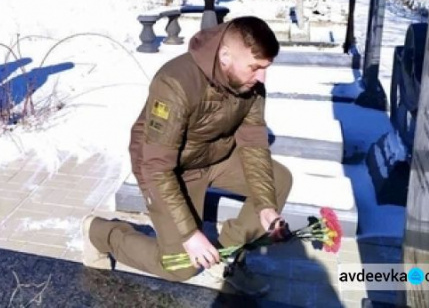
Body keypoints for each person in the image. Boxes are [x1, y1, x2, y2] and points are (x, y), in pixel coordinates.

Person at [82, 16, 293, 297]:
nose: (262, 78)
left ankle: (224, 256)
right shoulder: (175, 82)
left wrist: (265, 206)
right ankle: (99, 233)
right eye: (255, 68)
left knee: (278, 179)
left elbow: (253, 143)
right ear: (225, 56)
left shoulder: (250, 85)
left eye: (266, 68)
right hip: (168, 169)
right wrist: (191, 236)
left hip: (214, 158)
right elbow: (157, 165)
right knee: (179, 267)